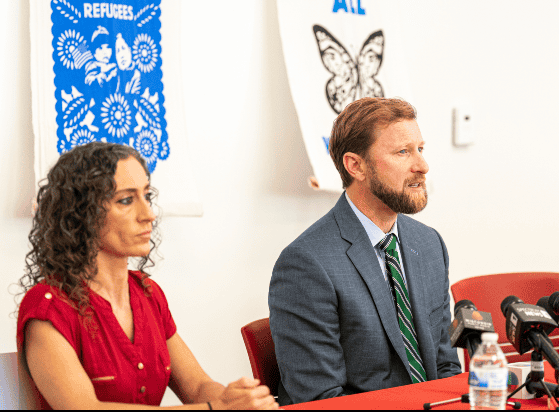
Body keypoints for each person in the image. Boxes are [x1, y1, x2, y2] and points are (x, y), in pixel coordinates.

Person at [17, 142, 277, 410]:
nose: (149, 215)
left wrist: (234, 400)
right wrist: (215, 409)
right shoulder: (47, 308)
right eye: (126, 200)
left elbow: (198, 386)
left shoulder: (147, 293)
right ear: (80, 214)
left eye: (147, 196)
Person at [268, 97, 461, 405]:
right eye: (402, 152)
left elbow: (444, 365)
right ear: (355, 165)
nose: (422, 166)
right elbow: (322, 399)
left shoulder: (428, 244)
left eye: (420, 149)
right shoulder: (305, 264)